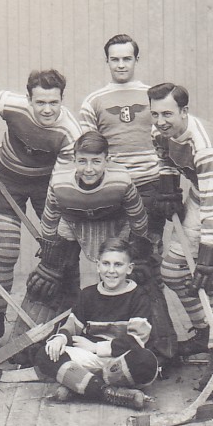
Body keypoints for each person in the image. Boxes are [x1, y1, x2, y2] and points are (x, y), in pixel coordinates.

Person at [147, 82, 213, 379]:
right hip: (201, 193)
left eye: (167, 113)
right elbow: (165, 159)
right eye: (155, 114)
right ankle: (204, 331)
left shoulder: (205, 147)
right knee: (171, 270)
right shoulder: (160, 131)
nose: (160, 121)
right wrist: (168, 187)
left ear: (185, 111)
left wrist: (208, 253)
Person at [79, 35, 176, 354]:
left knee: (146, 265)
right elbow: (87, 153)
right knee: (118, 265)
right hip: (113, 192)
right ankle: (119, 339)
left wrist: (167, 184)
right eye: (114, 59)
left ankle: (162, 346)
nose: (121, 64)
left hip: (148, 187)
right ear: (106, 61)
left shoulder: (152, 96)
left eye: (127, 59)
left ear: (136, 60)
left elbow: (167, 141)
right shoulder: (93, 100)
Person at [0, 70, 84, 341]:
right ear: (28, 99)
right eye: (40, 102)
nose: (47, 109)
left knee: (63, 247)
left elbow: (58, 189)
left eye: (54, 102)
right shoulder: (8, 103)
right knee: (4, 249)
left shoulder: (70, 132)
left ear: (62, 99)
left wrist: (50, 237)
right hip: (7, 180)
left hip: (45, 186)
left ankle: (69, 314)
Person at [28, 132, 154, 341]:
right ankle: (57, 331)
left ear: (107, 160)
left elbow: (138, 218)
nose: (89, 169)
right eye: (82, 161)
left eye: (96, 161)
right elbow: (49, 221)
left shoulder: (121, 180)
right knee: (56, 275)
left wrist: (137, 251)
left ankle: (141, 335)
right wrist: (50, 257)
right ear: (73, 160)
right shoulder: (59, 182)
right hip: (73, 221)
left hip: (114, 221)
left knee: (130, 272)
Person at [32, 237, 158, 410]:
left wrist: (95, 348)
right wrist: (60, 338)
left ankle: (80, 385)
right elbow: (72, 325)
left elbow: (136, 341)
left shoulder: (139, 296)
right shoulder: (88, 295)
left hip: (120, 360)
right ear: (98, 266)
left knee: (145, 361)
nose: (111, 271)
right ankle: (109, 393)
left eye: (118, 265)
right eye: (106, 264)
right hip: (90, 358)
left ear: (129, 268)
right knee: (44, 354)